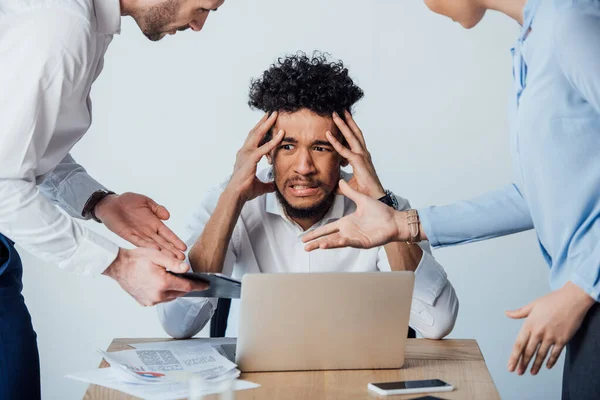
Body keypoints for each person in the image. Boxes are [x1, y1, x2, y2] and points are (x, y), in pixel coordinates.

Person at [302, 1, 600, 399]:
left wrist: (582, 287)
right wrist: (402, 224)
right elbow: (536, 196)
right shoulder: (533, 41)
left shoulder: (570, 23)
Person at [0, 0, 225, 398]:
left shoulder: (81, 22)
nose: (199, 25)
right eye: (203, 6)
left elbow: (28, 149)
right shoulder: (60, 26)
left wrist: (101, 203)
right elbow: (3, 183)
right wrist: (118, 264)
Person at [157, 53, 459, 340]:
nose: (303, 167)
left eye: (320, 147)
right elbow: (177, 325)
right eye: (287, 146)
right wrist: (232, 198)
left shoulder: (386, 210)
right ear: (267, 150)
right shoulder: (230, 202)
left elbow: (438, 323)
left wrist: (381, 203)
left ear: (345, 155)